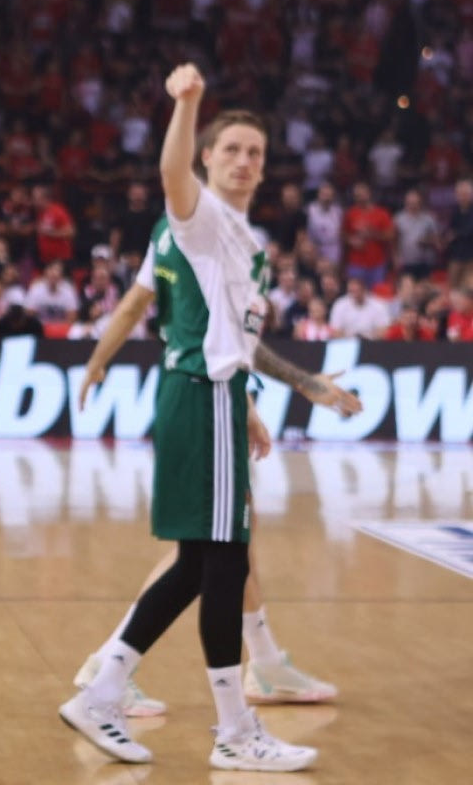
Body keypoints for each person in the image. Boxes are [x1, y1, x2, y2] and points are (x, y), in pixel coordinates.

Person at [60, 64, 360, 773]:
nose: (245, 161)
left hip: (215, 396)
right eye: (232, 150)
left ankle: (104, 690)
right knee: (222, 563)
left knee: (203, 563)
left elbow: (237, 340)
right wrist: (187, 103)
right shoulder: (198, 219)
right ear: (207, 158)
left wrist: (299, 385)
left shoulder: (245, 242)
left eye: (256, 152)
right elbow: (171, 176)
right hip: (201, 395)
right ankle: (233, 729)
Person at [342, 182, 394, 288]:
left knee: (377, 293)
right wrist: (351, 240)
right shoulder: (350, 213)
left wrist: (372, 234)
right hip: (356, 263)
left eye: (362, 194)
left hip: (377, 264)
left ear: (369, 194)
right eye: (357, 195)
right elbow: (343, 234)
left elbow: (390, 236)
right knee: (355, 293)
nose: (360, 197)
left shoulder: (382, 213)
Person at [394, 189, 441, 282]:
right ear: (405, 203)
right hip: (406, 262)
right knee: (407, 287)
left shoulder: (428, 219)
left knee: (424, 289)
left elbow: (437, 241)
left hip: (425, 262)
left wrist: (427, 241)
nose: (412, 205)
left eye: (415, 203)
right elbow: (394, 240)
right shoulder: (399, 219)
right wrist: (395, 257)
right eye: (410, 203)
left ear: (420, 203)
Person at [445, 179, 473, 290]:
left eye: (465, 194)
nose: (462, 197)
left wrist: (455, 234)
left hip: (471, 257)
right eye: (460, 194)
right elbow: (449, 230)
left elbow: (469, 230)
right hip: (456, 256)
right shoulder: (455, 211)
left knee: (468, 289)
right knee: (453, 288)